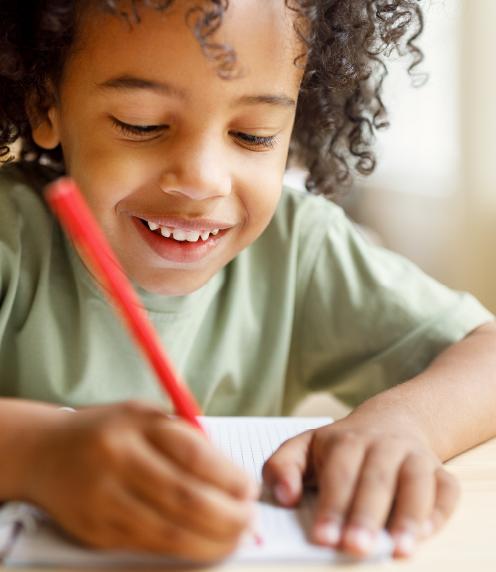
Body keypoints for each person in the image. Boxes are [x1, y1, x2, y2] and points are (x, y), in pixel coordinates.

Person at [0, 0, 495, 564]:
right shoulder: (10, 238)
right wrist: (37, 455)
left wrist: (405, 423)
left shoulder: (297, 249)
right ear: (47, 101)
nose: (202, 180)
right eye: (142, 124)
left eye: (255, 136)